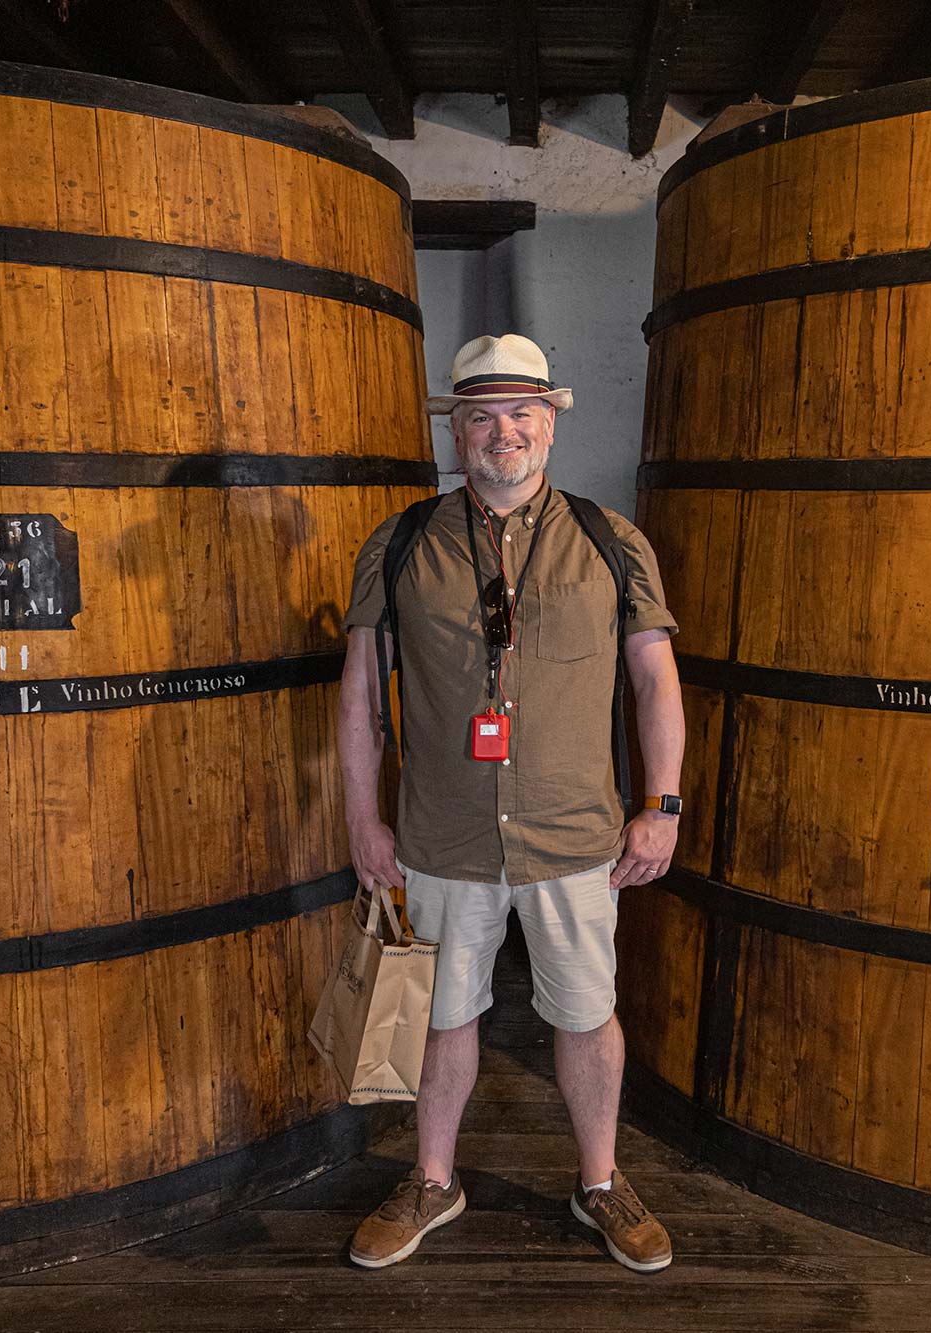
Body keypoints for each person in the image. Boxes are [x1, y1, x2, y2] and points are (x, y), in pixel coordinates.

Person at [335, 333, 686, 1273]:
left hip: (576, 832)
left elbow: (656, 679)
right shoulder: (401, 542)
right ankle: (434, 1179)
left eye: (521, 412)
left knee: (585, 1010)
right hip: (442, 834)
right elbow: (362, 694)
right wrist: (364, 819)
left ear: (552, 420)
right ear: (456, 429)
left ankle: (601, 1182)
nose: (503, 432)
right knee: (443, 1011)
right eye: (481, 415)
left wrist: (664, 804)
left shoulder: (613, 541)